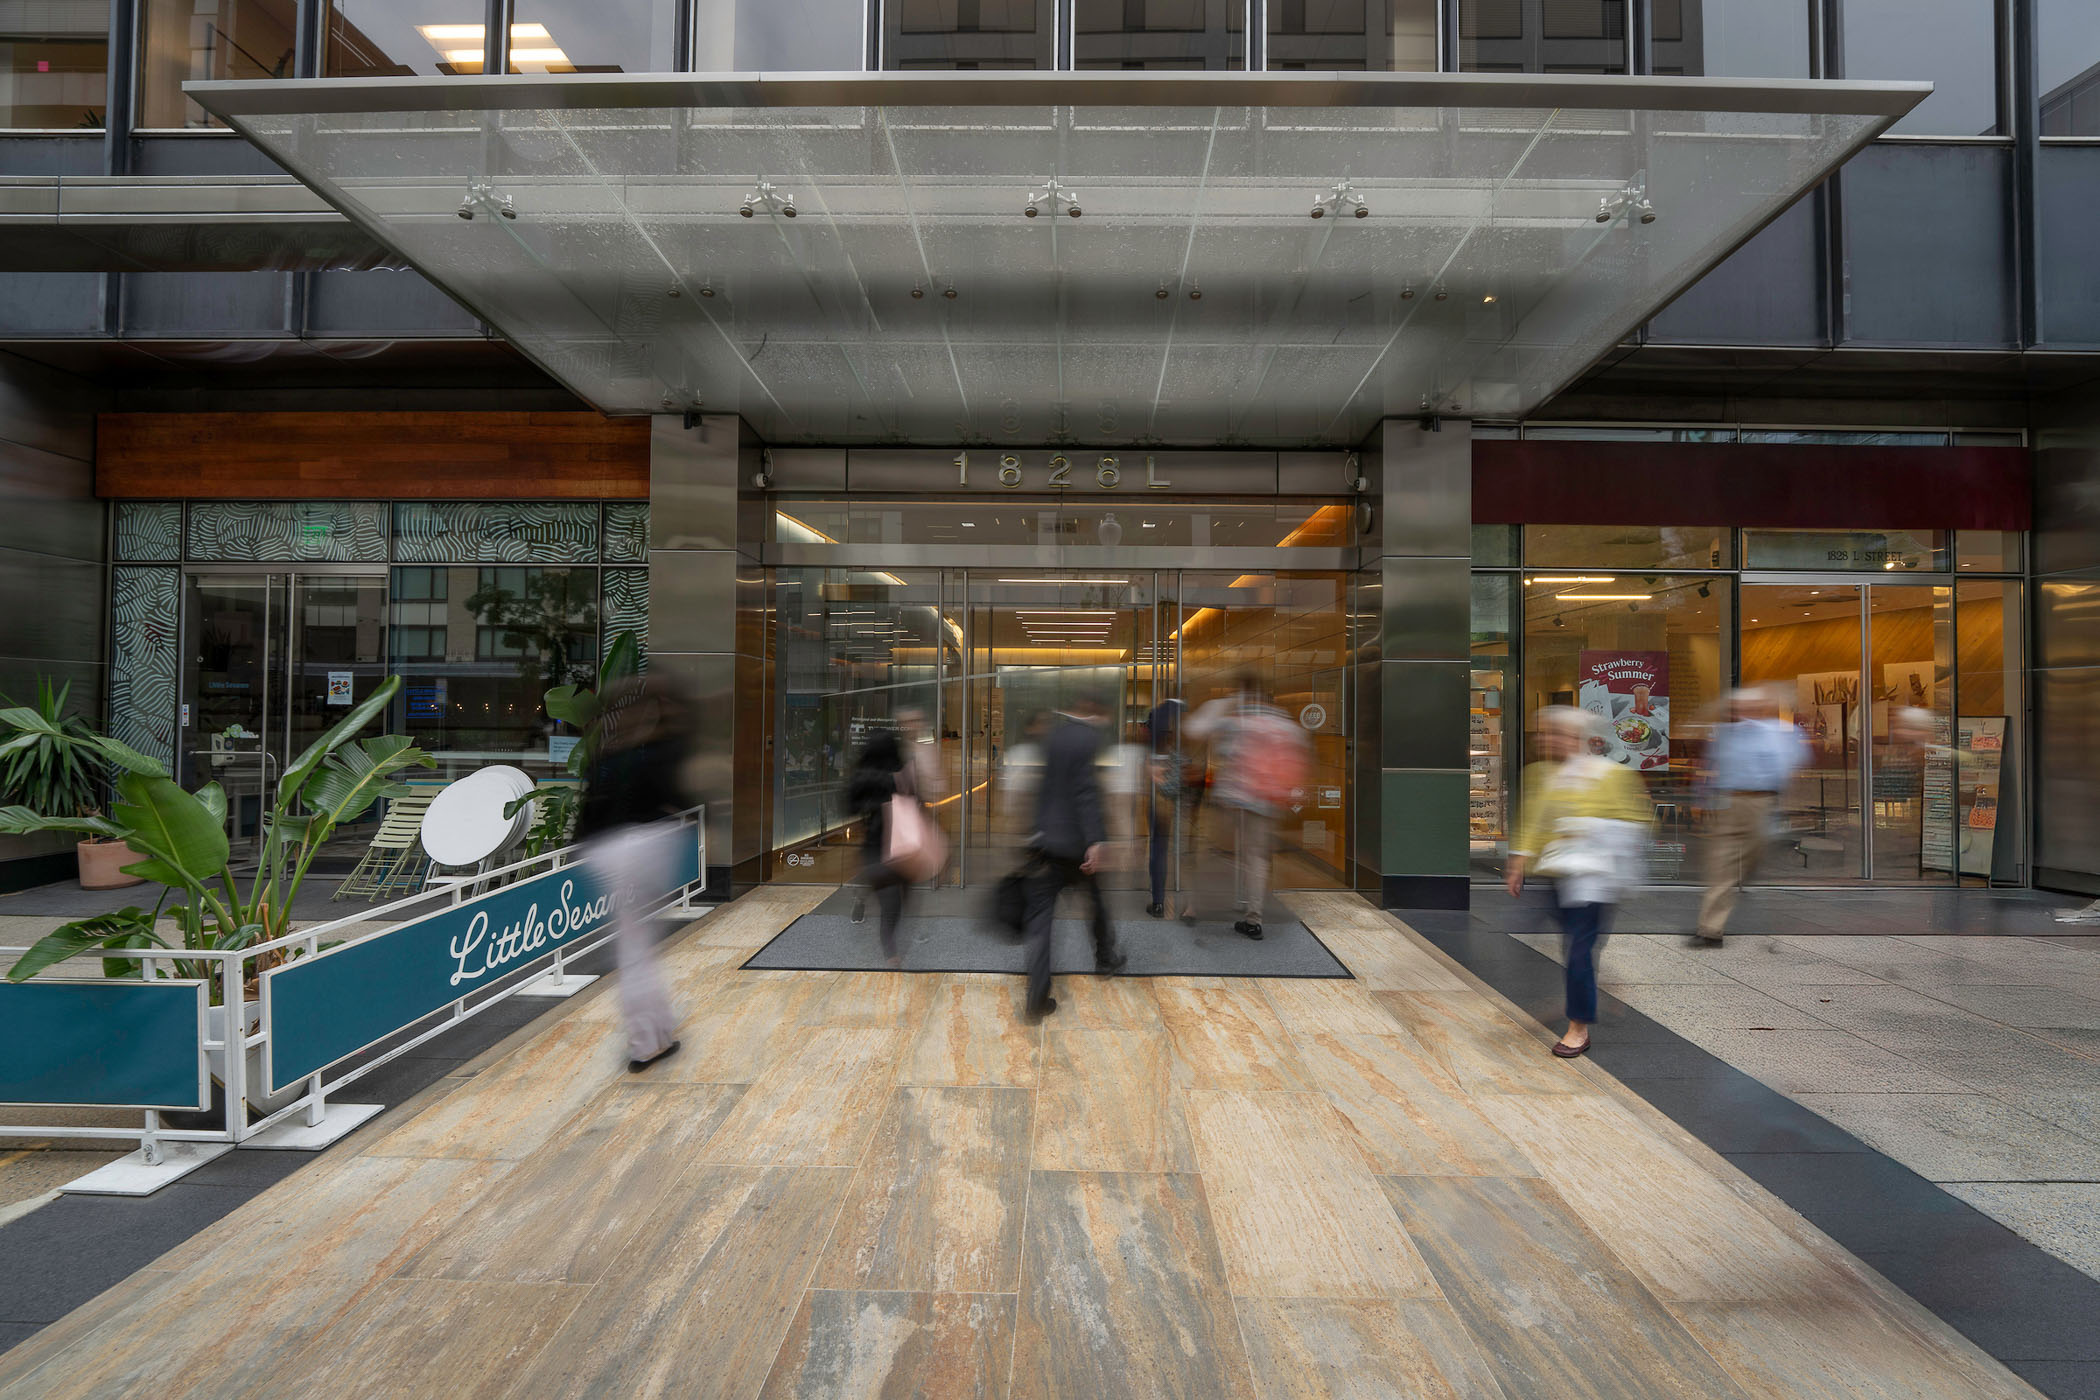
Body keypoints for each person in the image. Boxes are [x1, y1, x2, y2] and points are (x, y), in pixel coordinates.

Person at [1506, 707, 1654, 1058]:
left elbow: (1638, 821)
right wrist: (1519, 860)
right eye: (1545, 733)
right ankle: (1591, 988)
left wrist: (1588, 831)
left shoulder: (1611, 776)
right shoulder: (1541, 773)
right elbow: (1533, 819)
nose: (1547, 740)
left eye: (1556, 733)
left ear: (1579, 738)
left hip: (1595, 880)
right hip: (1556, 874)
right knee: (1574, 946)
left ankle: (1578, 1027)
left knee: (1578, 950)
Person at [576, 674, 699, 1073]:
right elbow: (678, 795)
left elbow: (589, 811)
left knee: (636, 946)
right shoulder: (660, 748)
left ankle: (657, 1033)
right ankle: (646, 1044)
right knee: (637, 950)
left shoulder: (607, 751)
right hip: (647, 846)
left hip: (608, 850)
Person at [1018, 693, 1126, 1019]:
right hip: (1076, 846)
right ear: (1094, 711)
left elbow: (1045, 788)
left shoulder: (1054, 736)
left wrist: (1035, 832)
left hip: (1046, 842)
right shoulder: (1087, 739)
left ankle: (1037, 997)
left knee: (1041, 922)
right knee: (1096, 903)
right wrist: (1095, 840)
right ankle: (1105, 958)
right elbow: (1085, 791)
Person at [1184, 672, 1306, 940]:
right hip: (1266, 802)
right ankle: (1253, 918)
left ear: (1241, 690)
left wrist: (1224, 705)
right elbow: (1297, 755)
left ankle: (1195, 906)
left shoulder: (1235, 719)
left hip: (1232, 799)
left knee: (1212, 851)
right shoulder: (1282, 721)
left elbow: (1195, 730)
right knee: (1257, 859)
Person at [1693, 687, 1810, 946]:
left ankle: (1743, 876)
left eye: (1752, 705)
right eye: (1740, 706)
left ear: (1762, 707)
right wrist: (1702, 800)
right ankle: (1710, 929)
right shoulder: (1725, 734)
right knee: (1721, 865)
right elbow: (1710, 766)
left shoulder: (1778, 733)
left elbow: (1794, 762)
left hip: (1761, 802)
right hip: (1729, 801)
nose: (1745, 710)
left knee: (1752, 856)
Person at [847, 728, 923, 967]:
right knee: (892, 899)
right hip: (896, 846)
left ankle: (862, 893)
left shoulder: (862, 775)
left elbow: (849, 807)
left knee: (889, 893)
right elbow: (917, 803)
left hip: (878, 845)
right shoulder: (898, 774)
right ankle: (890, 951)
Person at [1143, 698, 1187, 918]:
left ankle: (1158, 901)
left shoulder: (1157, 714)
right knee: (1184, 851)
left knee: (1158, 848)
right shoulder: (1185, 716)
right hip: (1180, 802)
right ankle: (1191, 906)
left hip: (1160, 798)